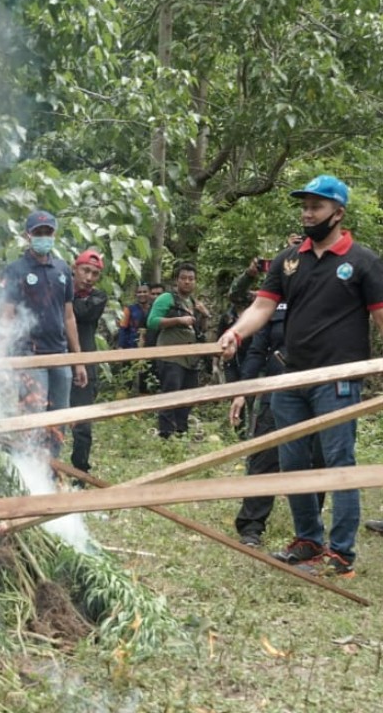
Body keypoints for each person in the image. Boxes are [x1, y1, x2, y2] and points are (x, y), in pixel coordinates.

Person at [220, 174, 383, 577]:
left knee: (337, 462)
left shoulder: (362, 261)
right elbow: (262, 307)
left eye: (317, 206)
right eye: (305, 206)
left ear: (338, 212)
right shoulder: (288, 260)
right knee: (292, 462)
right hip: (290, 378)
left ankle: (340, 553)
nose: (308, 213)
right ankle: (308, 541)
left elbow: (380, 316)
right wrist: (236, 332)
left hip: (339, 378)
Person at [228, 302, 324, 547]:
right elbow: (257, 351)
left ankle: (309, 532)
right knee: (265, 456)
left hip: (319, 389)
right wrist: (241, 391)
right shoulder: (274, 305)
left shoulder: (329, 295)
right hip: (277, 390)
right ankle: (251, 526)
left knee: (316, 459)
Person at [0, 210, 87, 457]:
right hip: (30, 356)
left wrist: (77, 360)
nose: (43, 237)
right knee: (32, 419)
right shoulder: (15, 270)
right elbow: (6, 316)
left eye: (47, 232)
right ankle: (28, 471)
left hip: (59, 355)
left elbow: (69, 316)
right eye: (38, 233)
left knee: (59, 418)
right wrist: (1, 355)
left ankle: (51, 470)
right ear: (28, 235)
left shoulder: (62, 269)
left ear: (54, 234)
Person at [146, 262, 210, 438]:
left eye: (191, 279)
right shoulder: (167, 298)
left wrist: (204, 315)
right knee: (170, 394)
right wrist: (178, 321)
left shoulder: (193, 302)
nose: (187, 282)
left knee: (188, 396)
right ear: (177, 280)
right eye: (183, 278)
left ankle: (181, 432)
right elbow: (151, 321)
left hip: (190, 358)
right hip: (170, 355)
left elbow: (201, 330)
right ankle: (166, 435)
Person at [69, 250, 108, 474]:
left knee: (82, 422)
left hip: (85, 364)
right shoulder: (63, 292)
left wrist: (65, 298)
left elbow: (81, 313)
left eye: (95, 273)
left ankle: (80, 471)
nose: (89, 277)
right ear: (75, 268)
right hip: (57, 361)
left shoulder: (98, 297)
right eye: (85, 270)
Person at [117, 282, 150, 349]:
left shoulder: (154, 309)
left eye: (145, 292)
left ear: (149, 293)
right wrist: (120, 346)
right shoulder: (129, 309)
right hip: (132, 345)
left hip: (150, 345)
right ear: (136, 294)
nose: (142, 294)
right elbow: (123, 329)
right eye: (139, 292)